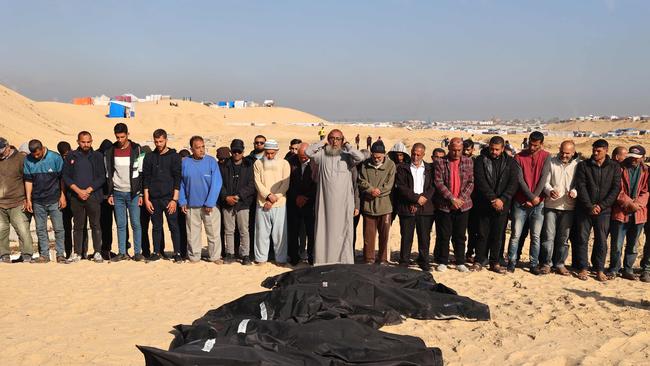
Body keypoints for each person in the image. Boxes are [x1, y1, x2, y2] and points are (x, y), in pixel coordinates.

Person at [307, 129, 365, 265]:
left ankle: (343, 261)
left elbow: (361, 157)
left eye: (338, 139)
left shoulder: (348, 156)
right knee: (324, 232)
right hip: (325, 205)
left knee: (343, 234)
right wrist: (322, 142)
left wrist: (348, 146)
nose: (335, 141)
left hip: (343, 204)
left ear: (342, 140)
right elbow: (308, 152)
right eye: (332, 138)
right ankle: (323, 261)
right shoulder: (321, 155)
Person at [574, 139, 621, 281]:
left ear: (606, 150)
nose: (595, 152)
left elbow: (615, 188)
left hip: (604, 210)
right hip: (585, 209)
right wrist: (589, 206)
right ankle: (583, 268)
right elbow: (581, 186)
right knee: (582, 238)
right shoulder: (584, 165)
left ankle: (599, 269)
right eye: (594, 150)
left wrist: (601, 206)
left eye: (598, 150)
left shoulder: (614, 167)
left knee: (601, 240)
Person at [506, 131, 550, 274]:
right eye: (530, 144)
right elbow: (520, 179)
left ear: (541, 145)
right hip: (521, 201)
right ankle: (512, 261)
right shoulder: (519, 157)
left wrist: (535, 198)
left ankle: (533, 264)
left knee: (535, 236)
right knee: (515, 235)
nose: (532, 147)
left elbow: (544, 178)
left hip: (538, 203)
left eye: (535, 145)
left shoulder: (546, 156)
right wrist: (532, 197)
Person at [473, 136, 519, 273]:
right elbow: (480, 180)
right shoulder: (481, 160)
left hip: (502, 205)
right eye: (492, 148)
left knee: (498, 235)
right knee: (482, 233)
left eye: (497, 149)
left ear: (503, 148)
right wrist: (493, 199)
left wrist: (502, 199)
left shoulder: (510, 162)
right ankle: (479, 260)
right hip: (484, 203)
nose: (494, 151)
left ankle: (495, 261)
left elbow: (513, 183)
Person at [62, 131, 106, 263]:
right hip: (76, 197)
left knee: (95, 225)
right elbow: (66, 176)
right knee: (78, 226)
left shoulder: (97, 156)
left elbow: (102, 177)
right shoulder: (71, 156)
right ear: (78, 142)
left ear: (92, 141)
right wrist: (78, 190)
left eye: (88, 142)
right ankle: (77, 253)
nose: (86, 144)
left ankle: (97, 252)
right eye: (83, 142)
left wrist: (88, 190)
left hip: (92, 196)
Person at [105, 123, 145, 262]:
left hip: (133, 193)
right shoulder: (110, 150)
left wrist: (140, 194)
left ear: (128, 134)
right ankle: (122, 252)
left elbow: (141, 172)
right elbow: (109, 173)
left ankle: (137, 253)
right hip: (117, 193)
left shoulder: (137, 149)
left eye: (122, 137)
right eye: (117, 137)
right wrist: (110, 193)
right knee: (121, 224)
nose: (120, 140)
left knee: (136, 224)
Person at [179, 136, 223, 263]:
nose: (201, 150)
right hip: (191, 206)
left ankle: (214, 256)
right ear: (191, 149)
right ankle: (194, 256)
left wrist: (210, 202)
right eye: (198, 148)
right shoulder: (185, 162)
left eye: (203, 146)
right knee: (193, 234)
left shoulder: (211, 162)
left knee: (213, 233)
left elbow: (216, 183)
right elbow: (181, 183)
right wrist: (182, 201)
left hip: (209, 206)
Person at [538, 140, 579, 276]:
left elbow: (580, 184)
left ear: (573, 152)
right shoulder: (551, 162)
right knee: (548, 236)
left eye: (567, 153)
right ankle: (546, 263)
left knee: (563, 238)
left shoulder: (578, 165)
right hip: (551, 205)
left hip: (568, 207)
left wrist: (575, 192)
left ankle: (560, 264)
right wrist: (550, 191)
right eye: (562, 152)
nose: (564, 155)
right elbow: (546, 182)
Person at [433, 138, 474, 273]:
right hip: (445, 205)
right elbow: (438, 182)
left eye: (459, 150)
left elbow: (471, 182)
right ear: (449, 148)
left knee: (460, 235)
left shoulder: (468, 161)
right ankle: (443, 261)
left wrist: (460, 199)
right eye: (453, 150)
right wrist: (451, 198)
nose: (456, 153)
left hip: (463, 205)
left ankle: (460, 261)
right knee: (444, 235)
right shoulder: (440, 162)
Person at [608, 145, 648, 281]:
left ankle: (628, 269)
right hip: (621, 211)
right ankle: (614, 268)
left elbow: (646, 191)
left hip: (639, 213)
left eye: (637, 158)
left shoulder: (646, 171)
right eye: (631, 156)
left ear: (642, 158)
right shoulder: (618, 168)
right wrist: (628, 203)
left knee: (633, 244)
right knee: (616, 244)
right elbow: (616, 189)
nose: (633, 160)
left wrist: (637, 205)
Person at [142, 129, 183, 262]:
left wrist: (174, 200)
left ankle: (177, 252)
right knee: (156, 226)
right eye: (156, 141)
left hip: (169, 198)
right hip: (154, 198)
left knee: (173, 226)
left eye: (161, 141)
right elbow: (146, 179)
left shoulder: (174, 156)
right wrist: (147, 199)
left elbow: (178, 178)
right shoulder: (149, 157)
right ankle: (157, 251)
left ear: (166, 140)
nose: (158, 144)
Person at [23, 140, 66, 263]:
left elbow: (62, 179)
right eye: (33, 155)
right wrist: (28, 199)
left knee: (58, 228)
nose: (36, 157)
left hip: (54, 199)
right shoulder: (28, 160)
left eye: (37, 154)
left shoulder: (55, 158)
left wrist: (62, 196)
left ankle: (60, 254)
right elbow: (28, 180)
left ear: (42, 148)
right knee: (40, 229)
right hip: (38, 201)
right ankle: (44, 255)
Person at [395, 143, 435, 271]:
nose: (415, 156)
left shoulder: (430, 168)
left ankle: (424, 260)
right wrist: (415, 199)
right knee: (406, 236)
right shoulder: (403, 168)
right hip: (407, 207)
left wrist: (421, 200)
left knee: (424, 236)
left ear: (423, 154)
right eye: (413, 153)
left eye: (418, 154)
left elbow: (433, 186)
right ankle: (404, 260)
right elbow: (401, 187)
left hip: (425, 207)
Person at [253, 139, 290, 265]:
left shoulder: (284, 163)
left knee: (280, 234)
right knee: (261, 233)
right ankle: (261, 259)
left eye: (272, 153)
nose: (269, 156)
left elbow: (285, 184)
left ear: (277, 151)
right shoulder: (258, 163)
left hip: (279, 203)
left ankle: (280, 259)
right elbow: (257, 183)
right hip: (263, 203)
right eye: (267, 153)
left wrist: (275, 197)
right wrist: (268, 196)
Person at [358, 140, 396, 265]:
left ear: (384, 155)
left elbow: (389, 184)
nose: (376, 159)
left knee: (384, 235)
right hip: (369, 206)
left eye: (379, 157)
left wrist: (378, 191)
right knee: (368, 236)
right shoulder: (365, 165)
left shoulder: (391, 165)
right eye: (374, 156)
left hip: (385, 207)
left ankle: (383, 259)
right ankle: (369, 259)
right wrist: (370, 190)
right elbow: (361, 180)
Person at [219, 139, 256, 265]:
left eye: (239, 151)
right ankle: (230, 253)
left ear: (243, 151)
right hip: (227, 203)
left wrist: (239, 196)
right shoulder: (224, 166)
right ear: (231, 151)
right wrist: (226, 197)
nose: (236, 153)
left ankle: (245, 255)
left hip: (243, 203)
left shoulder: (249, 165)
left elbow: (252, 185)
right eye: (234, 151)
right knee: (229, 230)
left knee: (244, 230)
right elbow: (220, 184)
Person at [0, 137, 34, 263]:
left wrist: (27, 198)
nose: (1, 154)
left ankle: (27, 254)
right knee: (1, 230)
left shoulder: (21, 159)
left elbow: (28, 180)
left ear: (8, 147)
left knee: (22, 229)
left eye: (2, 151)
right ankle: (4, 255)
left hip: (18, 201)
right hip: (0, 203)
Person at [286, 143, 317, 266]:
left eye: (305, 156)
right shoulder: (290, 162)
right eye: (300, 156)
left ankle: (311, 256)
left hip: (310, 203)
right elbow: (288, 182)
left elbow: (317, 183)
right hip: (294, 202)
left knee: (311, 232)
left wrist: (307, 197)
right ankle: (294, 256)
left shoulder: (316, 163)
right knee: (293, 231)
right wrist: (296, 197)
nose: (302, 159)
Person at [57, 141, 86, 259]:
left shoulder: (76, 158)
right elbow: (61, 180)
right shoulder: (59, 162)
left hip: (78, 197)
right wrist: (62, 196)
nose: (66, 157)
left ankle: (82, 252)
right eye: (64, 155)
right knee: (66, 227)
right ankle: (68, 252)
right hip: (65, 198)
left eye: (67, 154)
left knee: (81, 225)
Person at [97, 139, 115, 259]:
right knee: (101, 225)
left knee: (107, 225)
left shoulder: (112, 157)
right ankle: (101, 250)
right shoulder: (97, 158)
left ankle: (106, 249)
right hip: (100, 197)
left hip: (111, 196)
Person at [177, 149, 191, 258]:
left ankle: (190, 252)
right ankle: (182, 252)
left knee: (191, 229)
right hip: (179, 203)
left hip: (191, 203)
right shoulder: (177, 169)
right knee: (180, 228)